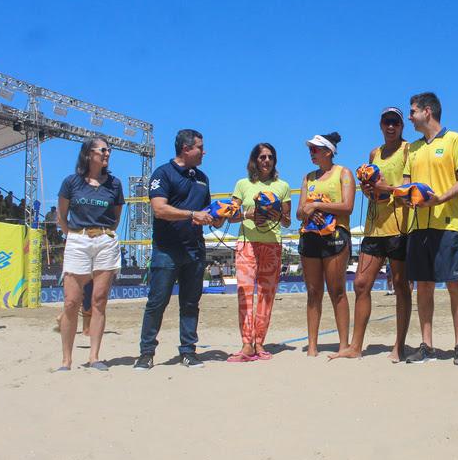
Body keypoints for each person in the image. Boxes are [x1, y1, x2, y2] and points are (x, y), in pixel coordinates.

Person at [329, 107, 412, 362]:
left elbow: (407, 188)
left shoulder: (409, 150)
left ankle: (399, 346)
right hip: (374, 228)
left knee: (401, 287)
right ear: (380, 124)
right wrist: (368, 190)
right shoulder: (374, 153)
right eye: (387, 122)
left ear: (401, 126)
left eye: (395, 123)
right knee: (361, 284)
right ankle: (356, 346)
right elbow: (374, 190)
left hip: (400, 226)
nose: (391, 127)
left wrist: (383, 188)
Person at [134, 129, 219, 371]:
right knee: (157, 302)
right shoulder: (163, 173)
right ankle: (146, 353)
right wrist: (193, 214)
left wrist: (219, 217)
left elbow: (207, 213)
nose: (204, 151)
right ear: (186, 148)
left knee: (191, 303)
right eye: (200, 147)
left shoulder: (202, 178)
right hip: (166, 250)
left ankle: (189, 352)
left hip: (195, 249)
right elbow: (159, 209)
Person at [402, 92, 458, 365]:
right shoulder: (414, 148)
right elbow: (408, 184)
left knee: (455, 284)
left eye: (412, 112)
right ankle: (426, 345)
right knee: (424, 286)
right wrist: (405, 196)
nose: (409, 117)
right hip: (418, 225)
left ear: (427, 111)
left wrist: (440, 199)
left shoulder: (455, 139)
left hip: (448, 223)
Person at [55, 137, 124, 371]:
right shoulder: (71, 182)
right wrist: (75, 236)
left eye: (109, 151)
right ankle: (66, 360)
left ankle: (94, 357)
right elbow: (61, 216)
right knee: (71, 302)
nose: (107, 154)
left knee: (99, 301)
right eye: (103, 150)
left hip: (105, 240)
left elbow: (116, 217)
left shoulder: (115, 184)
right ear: (89, 153)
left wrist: (103, 235)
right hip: (78, 239)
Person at [227, 142, 291, 362]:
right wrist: (249, 213)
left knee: (266, 295)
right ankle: (247, 343)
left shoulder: (282, 186)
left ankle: (260, 342)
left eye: (270, 157)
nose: (266, 161)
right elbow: (231, 215)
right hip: (247, 244)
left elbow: (287, 220)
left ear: (275, 161)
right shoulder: (242, 184)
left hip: (272, 245)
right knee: (244, 293)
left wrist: (276, 215)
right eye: (262, 157)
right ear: (254, 160)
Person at [297, 132, 354, 356]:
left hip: (335, 236)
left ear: (328, 152)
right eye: (310, 149)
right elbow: (300, 212)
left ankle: (343, 345)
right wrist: (310, 211)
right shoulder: (308, 177)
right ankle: (312, 346)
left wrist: (318, 205)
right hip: (310, 235)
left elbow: (347, 206)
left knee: (337, 290)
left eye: (315, 149)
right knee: (313, 292)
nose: (311, 153)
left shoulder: (343, 173)